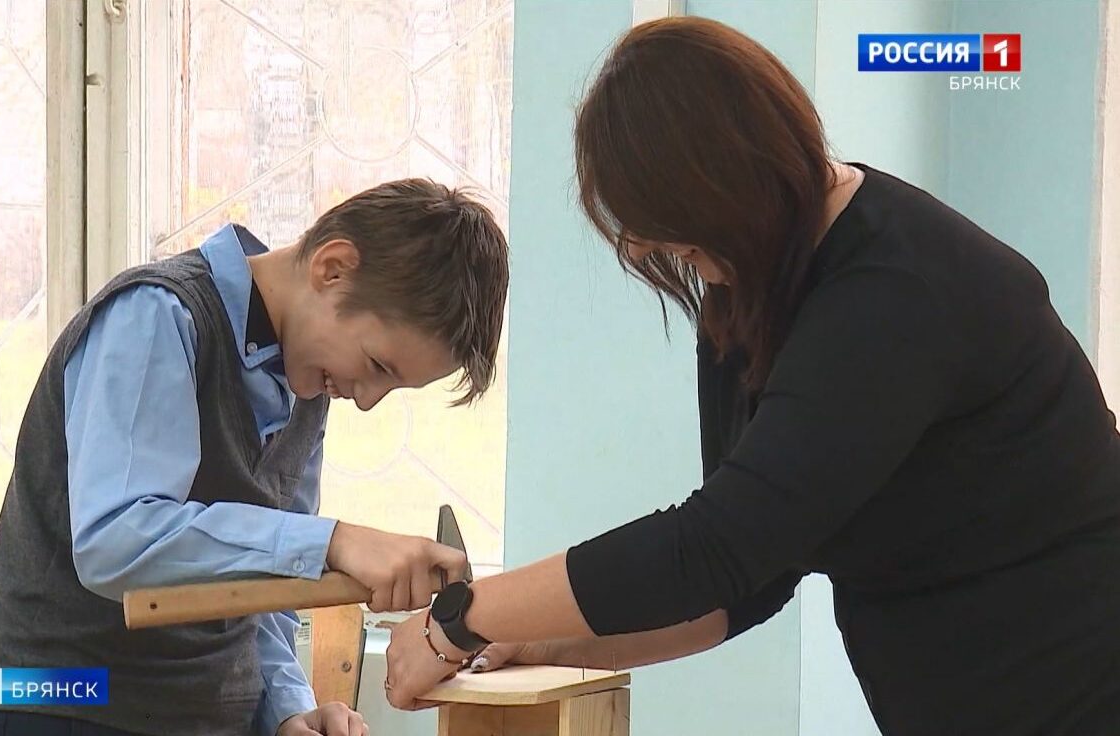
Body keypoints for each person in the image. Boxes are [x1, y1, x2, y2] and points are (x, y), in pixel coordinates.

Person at [382, 17, 1120, 735]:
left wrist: (464, 616)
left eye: (669, 232)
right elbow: (749, 577)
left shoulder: (896, 292)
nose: (651, 252)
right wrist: (545, 637)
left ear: (726, 181)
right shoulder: (747, 285)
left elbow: (718, 545)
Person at [0, 178, 510, 736]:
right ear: (332, 269)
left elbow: (266, 583)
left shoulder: (308, 382)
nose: (368, 400)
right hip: (60, 707)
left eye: (393, 387)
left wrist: (286, 709)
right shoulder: (155, 315)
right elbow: (114, 540)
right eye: (377, 366)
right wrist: (333, 543)